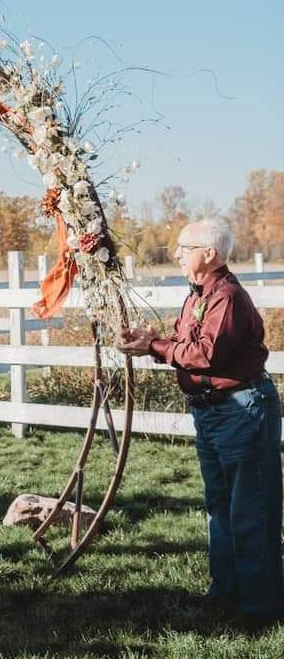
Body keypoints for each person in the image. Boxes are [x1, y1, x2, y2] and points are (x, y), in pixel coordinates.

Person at [118, 217, 283, 626]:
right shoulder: (197, 296)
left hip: (241, 409)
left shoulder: (226, 297)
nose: (175, 253)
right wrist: (151, 345)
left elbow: (205, 354)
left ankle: (260, 609)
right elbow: (185, 345)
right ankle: (225, 592)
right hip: (212, 411)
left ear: (209, 254)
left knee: (250, 509)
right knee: (219, 507)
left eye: (183, 246)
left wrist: (157, 346)